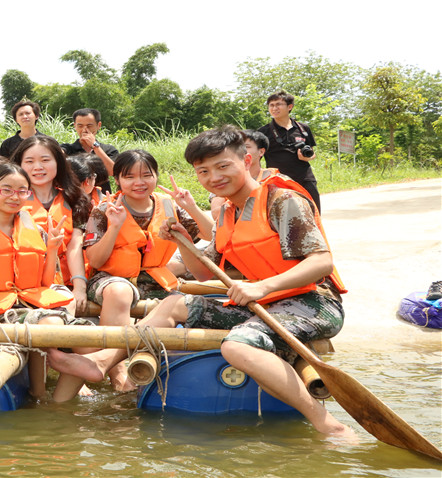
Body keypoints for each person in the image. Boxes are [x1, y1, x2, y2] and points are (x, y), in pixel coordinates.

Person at [49, 126, 353, 439]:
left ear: (247, 160)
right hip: (264, 304)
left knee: (237, 345)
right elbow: (205, 273)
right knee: (174, 304)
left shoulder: (281, 200)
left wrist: (262, 287)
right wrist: (182, 240)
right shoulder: (229, 212)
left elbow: (321, 262)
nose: (214, 177)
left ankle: (328, 424)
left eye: (223, 166)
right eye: (204, 171)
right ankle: (103, 362)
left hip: (312, 302)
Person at [0, 162, 88, 399]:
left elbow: (45, 283)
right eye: (6, 190)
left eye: (22, 191)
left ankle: (58, 402)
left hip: (32, 306)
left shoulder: (36, 230)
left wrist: (52, 249)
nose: (15, 196)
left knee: (89, 341)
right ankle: (40, 392)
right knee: (51, 324)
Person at [80, 150, 203, 392]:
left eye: (146, 175)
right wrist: (114, 227)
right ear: (118, 180)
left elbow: (209, 235)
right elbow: (95, 258)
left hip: (157, 280)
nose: (139, 182)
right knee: (119, 291)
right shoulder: (103, 209)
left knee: (182, 305)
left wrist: (191, 206)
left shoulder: (169, 205)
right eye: (130, 177)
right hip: (111, 279)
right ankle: (118, 372)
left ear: (156, 176)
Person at [12, 135, 92, 315]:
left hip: (64, 282)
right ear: (19, 165)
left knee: (66, 304)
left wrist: (79, 287)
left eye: (45, 160)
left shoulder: (75, 199)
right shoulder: (10, 201)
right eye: (29, 161)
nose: (37, 167)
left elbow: (75, 245)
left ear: (58, 162)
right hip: (23, 283)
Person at [258, 91, 322, 211]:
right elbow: (256, 159)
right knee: (283, 216)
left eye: (278, 104)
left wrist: (308, 157)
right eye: (271, 105)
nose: (274, 108)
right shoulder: (263, 132)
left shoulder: (303, 128)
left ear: (289, 107)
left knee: (313, 212)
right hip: (279, 182)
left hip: (305, 179)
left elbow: (312, 152)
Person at [210, 129, 270, 220]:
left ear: (261, 151)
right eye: (236, 147)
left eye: (246, 147)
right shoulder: (224, 179)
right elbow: (216, 214)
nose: (241, 151)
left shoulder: (274, 179)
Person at [60, 109, 119, 194]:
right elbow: (56, 156)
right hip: (74, 197)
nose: (84, 130)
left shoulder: (108, 149)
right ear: (75, 126)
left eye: (89, 126)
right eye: (80, 126)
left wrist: (95, 146)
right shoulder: (67, 149)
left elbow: (113, 171)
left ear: (98, 125)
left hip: (102, 198)